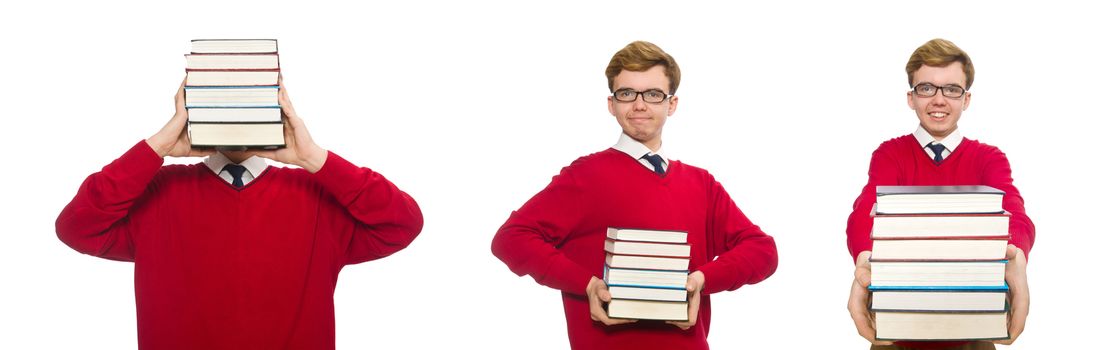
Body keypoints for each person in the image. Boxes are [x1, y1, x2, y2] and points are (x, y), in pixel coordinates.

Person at [55, 80, 424, 349]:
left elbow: (402, 222)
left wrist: (314, 158)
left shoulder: (317, 197)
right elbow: (76, 227)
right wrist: (157, 147)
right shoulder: (157, 191)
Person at [490, 41, 778, 349]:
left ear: (672, 104)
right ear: (612, 104)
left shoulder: (702, 184)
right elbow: (511, 238)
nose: (639, 105)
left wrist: (700, 280)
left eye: (653, 94)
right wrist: (586, 285)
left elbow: (762, 251)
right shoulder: (585, 176)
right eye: (627, 93)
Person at [845, 38, 1034, 349]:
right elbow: (867, 208)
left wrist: (1017, 254)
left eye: (951, 89)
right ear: (911, 97)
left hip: (972, 335)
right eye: (926, 88)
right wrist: (865, 257)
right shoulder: (890, 154)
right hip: (897, 334)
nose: (938, 99)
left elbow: (1012, 209)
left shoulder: (989, 158)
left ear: (966, 99)